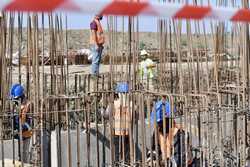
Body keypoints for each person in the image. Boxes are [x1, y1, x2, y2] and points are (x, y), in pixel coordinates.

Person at [148, 97, 193, 167]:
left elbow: (181, 160)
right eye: (157, 123)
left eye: (160, 123)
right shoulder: (158, 131)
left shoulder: (181, 135)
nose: (158, 125)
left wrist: (164, 161)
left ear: (169, 120)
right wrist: (151, 160)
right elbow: (153, 149)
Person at [102, 82, 131, 164]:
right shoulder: (131, 104)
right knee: (126, 151)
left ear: (118, 93)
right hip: (127, 131)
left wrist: (102, 110)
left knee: (117, 151)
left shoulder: (114, 104)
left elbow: (106, 115)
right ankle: (126, 163)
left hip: (117, 131)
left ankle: (117, 164)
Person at [10, 84, 32, 164]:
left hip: (26, 135)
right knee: (18, 157)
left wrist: (22, 127)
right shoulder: (17, 105)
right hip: (18, 135)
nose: (15, 101)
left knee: (24, 156)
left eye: (16, 99)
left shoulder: (28, 105)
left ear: (21, 97)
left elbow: (28, 123)